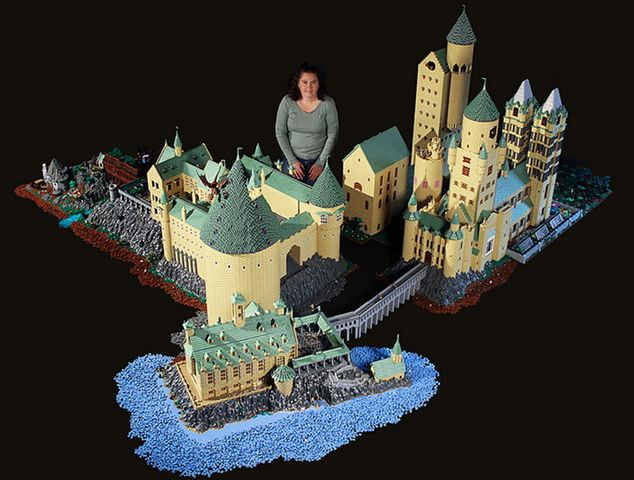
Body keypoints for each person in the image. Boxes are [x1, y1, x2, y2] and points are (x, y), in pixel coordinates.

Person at [275, 63, 339, 186]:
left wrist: (320, 162)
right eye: (304, 82)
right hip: (292, 159)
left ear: (319, 84)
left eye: (313, 82)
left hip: (318, 161)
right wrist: (292, 161)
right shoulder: (287, 102)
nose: (309, 87)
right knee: (291, 193)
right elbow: (280, 133)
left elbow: (333, 134)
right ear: (298, 83)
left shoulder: (328, 104)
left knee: (317, 196)